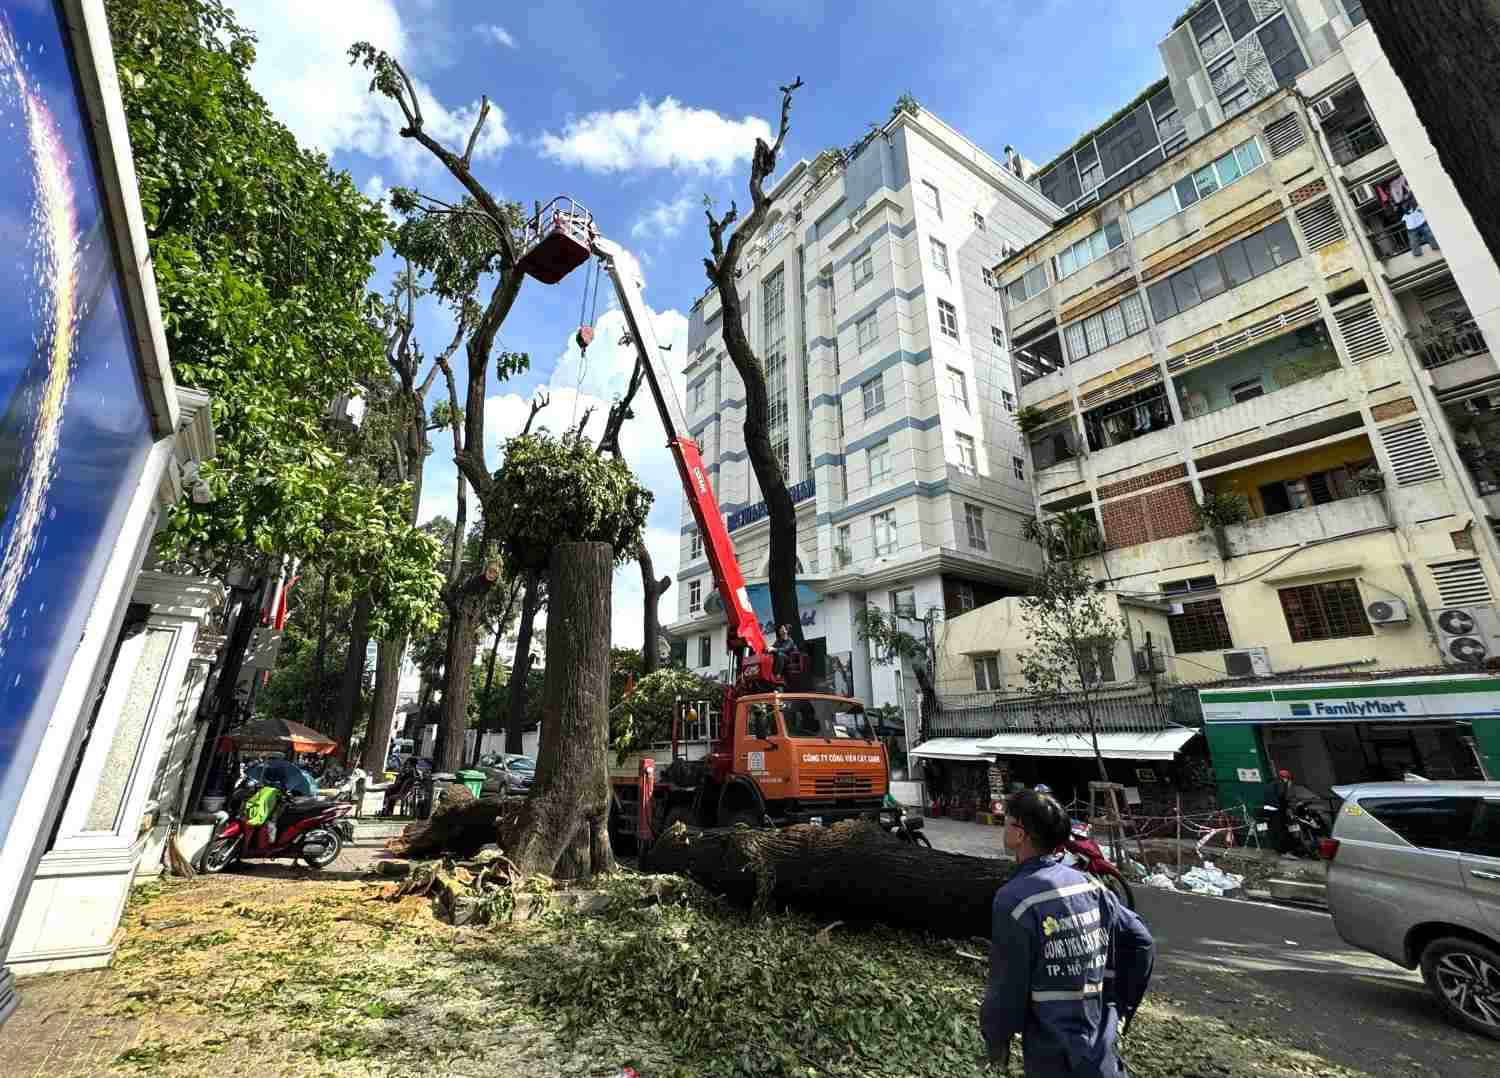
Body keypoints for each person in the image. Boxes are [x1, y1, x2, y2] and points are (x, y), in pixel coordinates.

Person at [981, 790, 1154, 1076]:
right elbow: (1141, 942)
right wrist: (1119, 1009)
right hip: (1102, 1055)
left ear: (1020, 834)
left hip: (1054, 1056)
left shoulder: (1014, 900)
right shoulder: (1092, 886)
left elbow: (1007, 986)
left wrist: (996, 1039)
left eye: (1006, 821)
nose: (1003, 827)